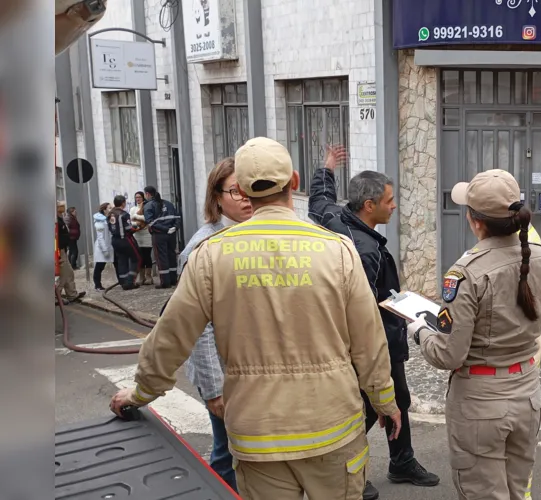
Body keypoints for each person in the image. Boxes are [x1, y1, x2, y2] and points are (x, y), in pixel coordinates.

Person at [109, 137, 403, 500]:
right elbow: (369, 342)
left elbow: (169, 339)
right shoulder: (337, 251)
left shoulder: (210, 257)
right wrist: (385, 401)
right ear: (294, 181)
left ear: (245, 190)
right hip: (332, 428)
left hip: (258, 436)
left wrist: (140, 392)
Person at [406, 169, 541, 500]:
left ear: (476, 222)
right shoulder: (540, 258)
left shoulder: (466, 273)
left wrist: (419, 331)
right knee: (518, 491)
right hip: (527, 392)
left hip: (481, 404)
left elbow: (448, 354)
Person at [310, 158, 440, 499]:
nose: (394, 205)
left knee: (398, 400)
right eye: (389, 200)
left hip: (378, 336)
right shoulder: (364, 251)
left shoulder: (335, 217)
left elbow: (319, 199)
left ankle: (401, 462)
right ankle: (346, 470)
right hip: (371, 344)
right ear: (369, 206)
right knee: (367, 408)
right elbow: (360, 312)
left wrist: (326, 169)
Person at [174, 157, 254, 492]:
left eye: (251, 188)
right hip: (224, 377)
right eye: (236, 191)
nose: (246, 197)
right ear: (216, 197)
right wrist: (213, 389)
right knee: (227, 457)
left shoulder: (253, 237)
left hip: (252, 373)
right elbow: (198, 327)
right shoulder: (203, 248)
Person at [143, 185, 180, 288]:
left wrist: (165, 229)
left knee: (161, 257)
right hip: (171, 234)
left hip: (159, 235)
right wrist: (175, 228)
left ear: (147, 194)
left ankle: (165, 282)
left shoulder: (149, 205)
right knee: (171, 255)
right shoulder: (169, 204)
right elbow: (177, 217)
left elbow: (150, 223)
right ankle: (173, 279)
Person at [107, 195, 141, 290]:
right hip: (125, 240)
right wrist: (137, 227)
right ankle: (130, 281)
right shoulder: (124, 214)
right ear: (123, 203)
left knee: (122, 260)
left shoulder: (110, 214)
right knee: (136, 258)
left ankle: (123, 282)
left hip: (115, 240)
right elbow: (129, 228)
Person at [56, 201, 84, 302]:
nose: (63, 207)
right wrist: (57, 255)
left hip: (63, 249)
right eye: (60, 206)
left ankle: (72, 294)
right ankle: (55, 296)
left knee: (69, 273)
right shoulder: (55, 221)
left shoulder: (60, 218)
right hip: (58, 251)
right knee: (64, 274)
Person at [130, 191, 154, 285]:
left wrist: (137, 218)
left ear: (143, 197)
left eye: (139, 197)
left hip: (147, 234)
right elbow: (131, 221)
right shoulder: (133, 209)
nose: (138, 199)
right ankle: (141, 276)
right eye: (136, 197)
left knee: (147, 256)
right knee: (140, 256)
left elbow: (148, 219)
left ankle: (149, 276)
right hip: (137, 235)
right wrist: (138, 223)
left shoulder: (147, 207)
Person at [92, 203, 113, 291]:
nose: (111, 209)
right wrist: (104, 250)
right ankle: (97, 285)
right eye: (109, 208)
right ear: (104, 210)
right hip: (101, 247)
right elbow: (100, 237)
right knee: (99, 266)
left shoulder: (107, 220)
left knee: (101, 266)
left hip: (107, 246)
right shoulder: (99, 221)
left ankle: (98, 285)